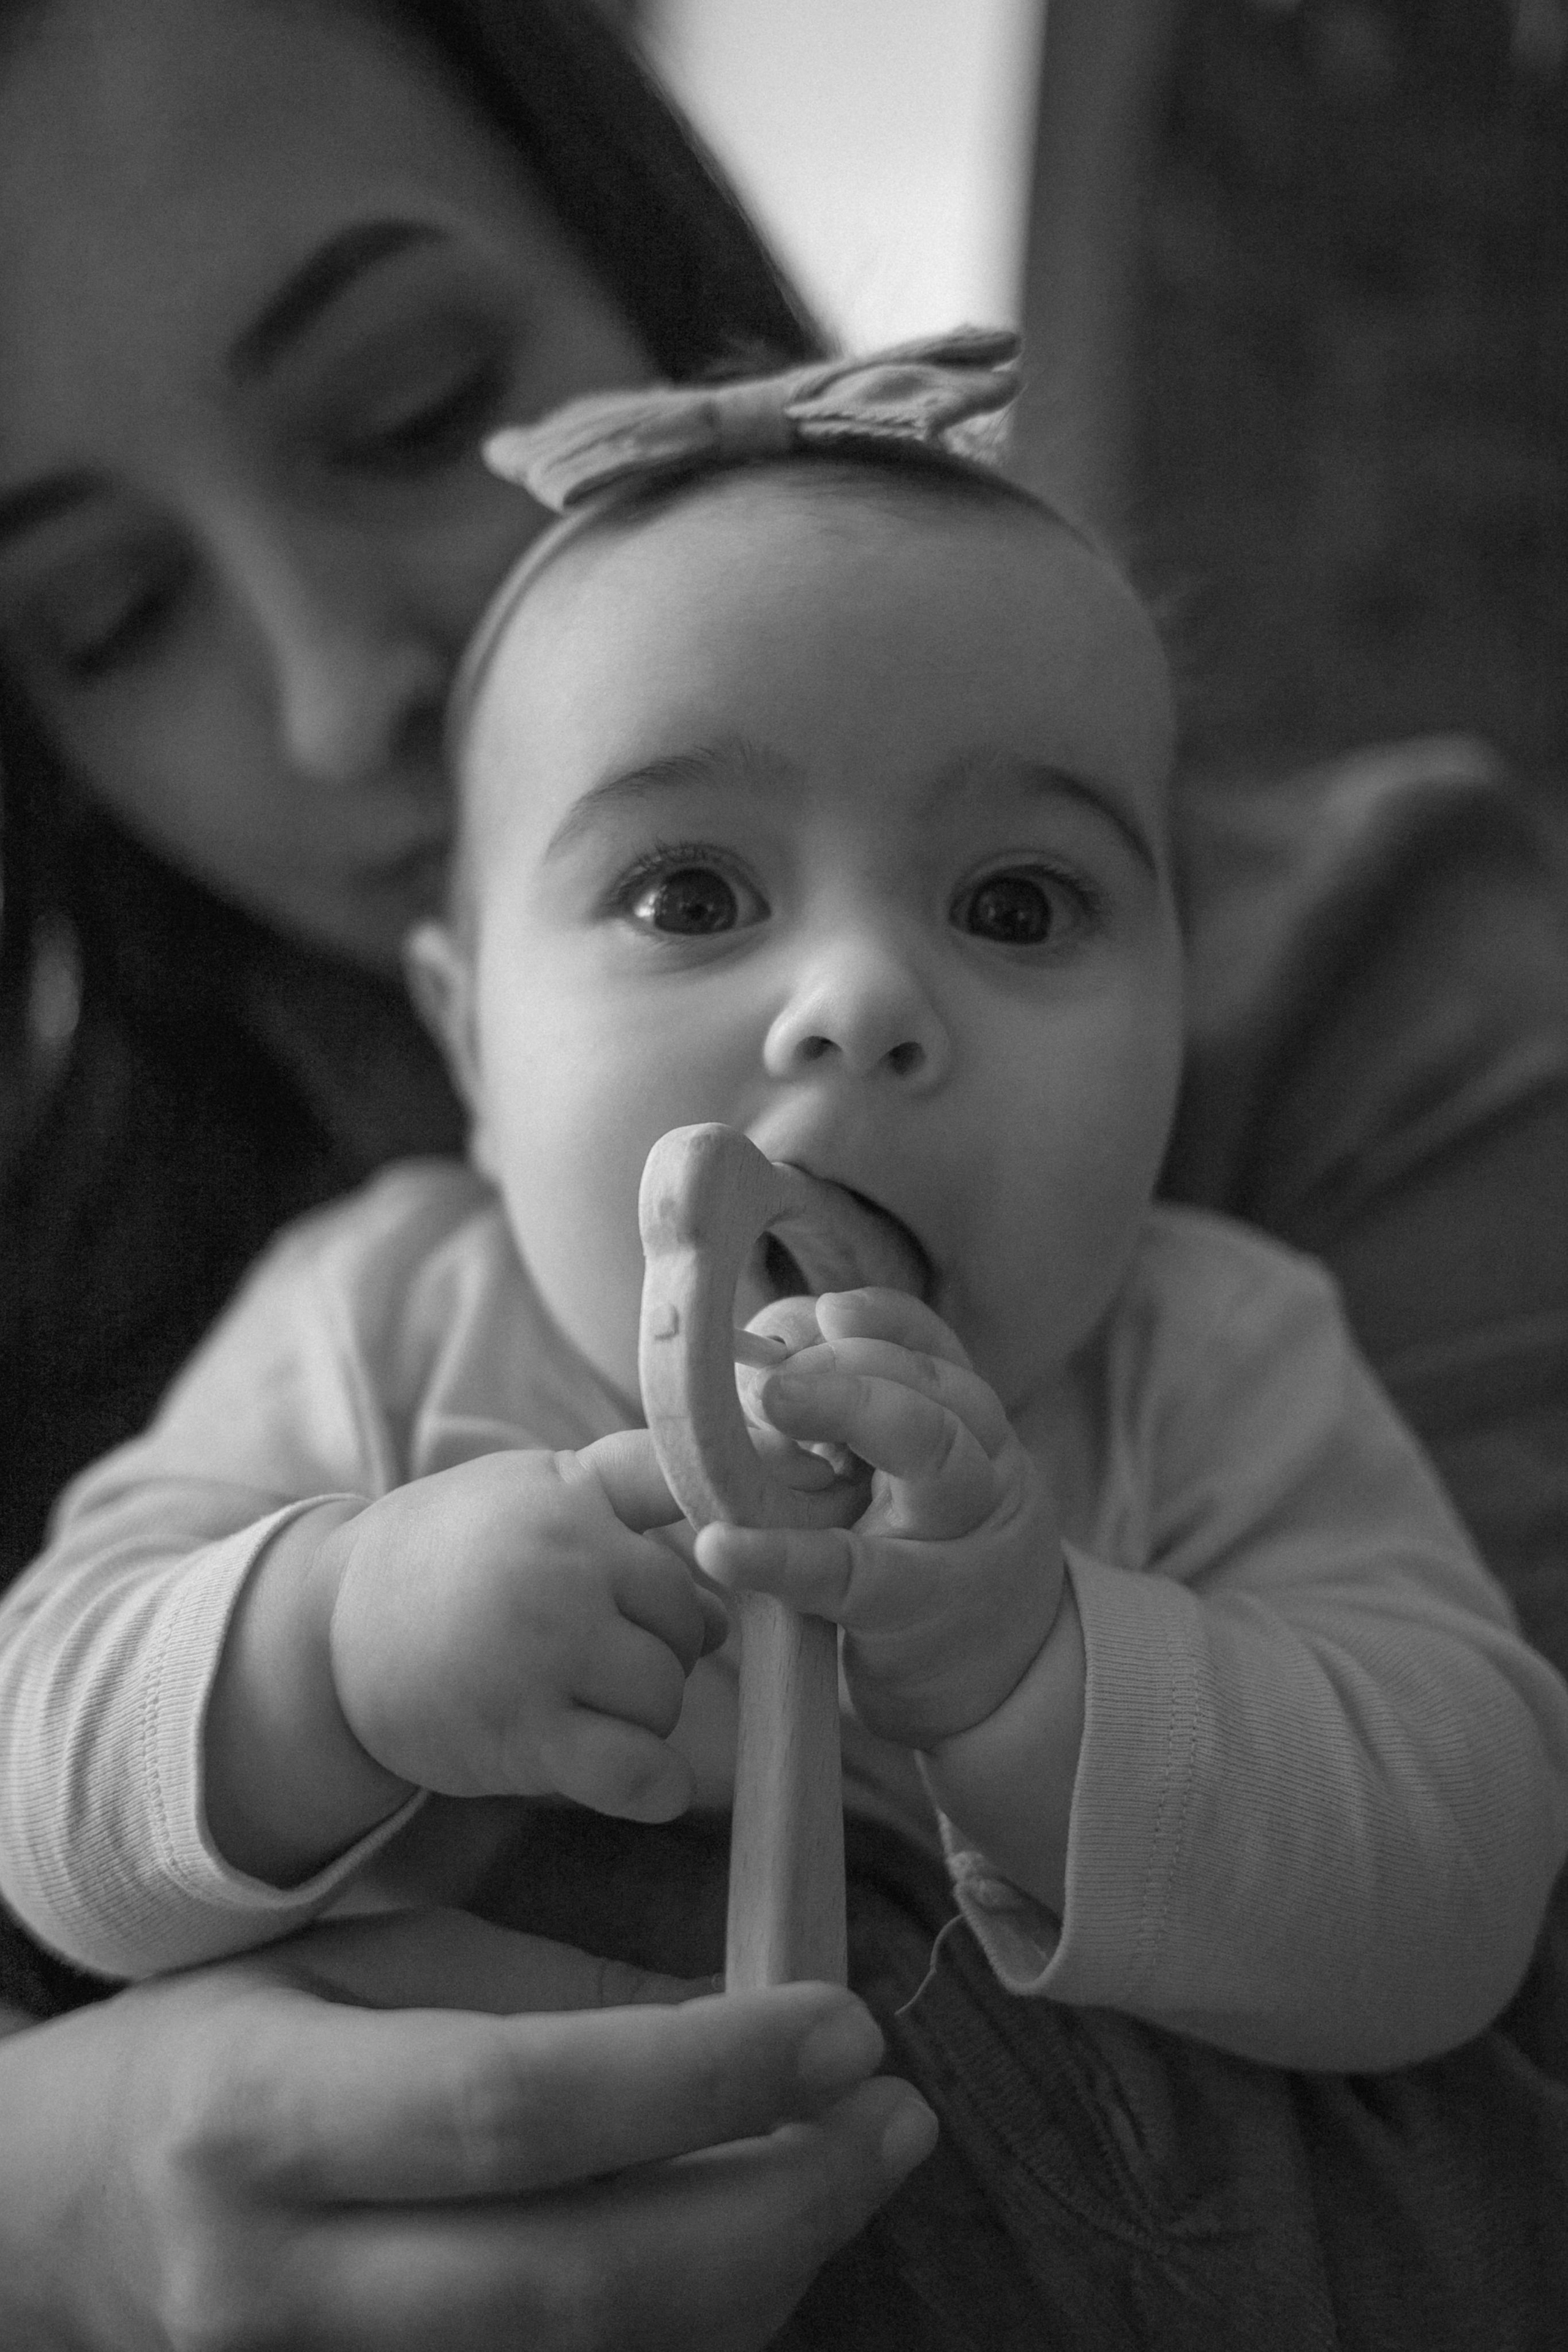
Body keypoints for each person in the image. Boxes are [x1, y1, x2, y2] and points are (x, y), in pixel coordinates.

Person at [0, 1, 1565, 2347]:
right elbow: (45, 1758)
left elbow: (1463, 1881)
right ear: (463, 1036)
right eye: (692, 896)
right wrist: (335, 1644)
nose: (858, 1002)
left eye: (1020, 907)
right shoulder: (372, 1325)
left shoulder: (1224, 1349)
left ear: (1180, 995)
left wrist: (1048, 1678)